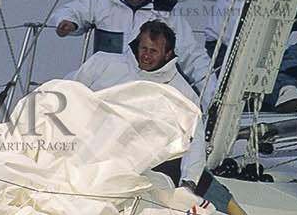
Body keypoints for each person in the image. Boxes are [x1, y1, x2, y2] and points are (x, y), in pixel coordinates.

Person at [71, 19, 204, 189]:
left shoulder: (182, 94)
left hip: (135, 168)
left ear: (168, 54)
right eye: (144, 48)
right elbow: (70, 92)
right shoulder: (102, 63)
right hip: (85, 148)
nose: (146, 55)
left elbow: (195, 140)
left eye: (154, 51)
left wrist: (189, 181)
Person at [53, 0, 210, 89]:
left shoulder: (168, 16)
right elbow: (72, 11)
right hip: (104, 85)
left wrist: (211, 94)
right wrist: (69, 23)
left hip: (146, 90)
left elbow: (192, 56)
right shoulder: (101, 2)